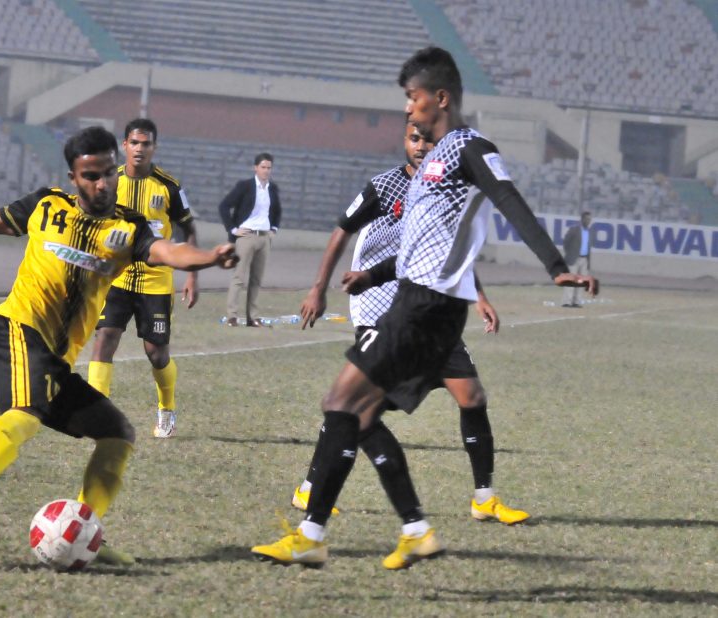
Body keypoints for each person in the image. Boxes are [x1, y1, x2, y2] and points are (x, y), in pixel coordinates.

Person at [252, 47, 597, 569]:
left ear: (440, 97)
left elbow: (508, 199)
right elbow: (423, 245)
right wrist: (375, 273)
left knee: (341, 403)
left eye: (413, 100)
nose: (409, 111)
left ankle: (317, 535)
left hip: (428, 308)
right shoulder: (429, 164)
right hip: (414, 301)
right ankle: (407, 530)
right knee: (358, 414)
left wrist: (556, 265)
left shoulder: (470, 148)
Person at [0, 126, 237, 560]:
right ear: (73, 176)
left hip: (53, 361)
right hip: (14, 330)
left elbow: (168, 252)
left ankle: (84, 530)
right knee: (27, 412)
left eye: (107, 174)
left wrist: (209, 257)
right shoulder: (45, 206)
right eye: (91, 176)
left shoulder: (128, 227)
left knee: (117, 434)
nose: (102, 184)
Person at [294, 119, 529, 526]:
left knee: (472, 396)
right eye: (414, 138)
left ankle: (484, 498)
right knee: (356, 404)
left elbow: (448, 253)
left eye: (429, 139)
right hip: (377, 309)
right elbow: (341, 231)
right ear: (404, 141)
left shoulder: (446, 190)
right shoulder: (384, 186)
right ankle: (310, 489)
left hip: (428, 309)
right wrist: (318, 288)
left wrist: (480, 297)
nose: (421, 145)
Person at [88, 119, 198, 439]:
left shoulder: (169, 187)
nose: (139, 149)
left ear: (154, 147)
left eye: (145, 144)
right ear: (124, 146)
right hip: (116, 278)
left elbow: (189, 229)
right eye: (134, 143)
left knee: (156, 352)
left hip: (156, 281)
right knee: (105, 337)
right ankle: (98, 412)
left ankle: (166, 409)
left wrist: (192, 275)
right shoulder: (109, 182)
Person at [218, 153, 281, 327]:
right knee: (239, 276)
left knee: (257, 279)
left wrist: (273, 229)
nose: (266, 171)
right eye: (263, 167)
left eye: (269, 167)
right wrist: (233, 229)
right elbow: (224, 206)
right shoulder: (245, 186)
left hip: (264, 237)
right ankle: (232, 315)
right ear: (255, 168)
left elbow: (277, 211)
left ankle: (253, 316)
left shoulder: (272, 188)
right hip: (246, 236)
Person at [561, 211, 594, 307]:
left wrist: (588, 261)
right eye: (587, 219)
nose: (588, 221)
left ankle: (577, 301)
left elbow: (589, 247)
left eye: (590, 219)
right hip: (574, 258)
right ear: (582, 219)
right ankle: (567, 301)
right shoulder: (574, 229)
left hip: (584, 259)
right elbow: (566, 242)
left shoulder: (590, 232)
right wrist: (570, 253)